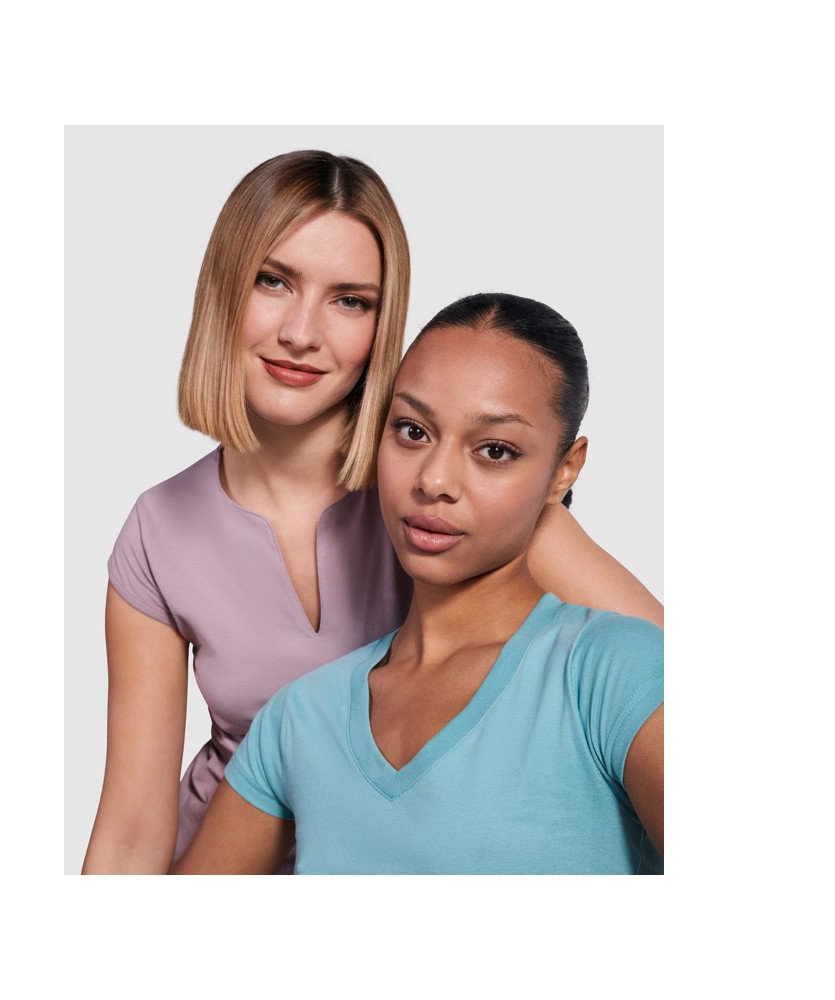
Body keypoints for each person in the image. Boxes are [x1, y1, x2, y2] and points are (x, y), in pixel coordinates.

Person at [82, 152, 663, 875]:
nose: (301, 332)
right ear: (223, 289)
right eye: (273, 280)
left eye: (350, 300)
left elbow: (653, 688)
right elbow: (132, 828)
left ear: (384, 326)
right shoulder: (159, 529)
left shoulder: (448, 502)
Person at [172, 293, 663, 875]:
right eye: (412, 430)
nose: (434, 480)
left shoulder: (616, 672)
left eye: (495, 450)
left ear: (565, 470)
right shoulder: (300, 717)